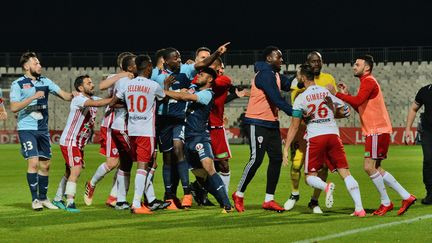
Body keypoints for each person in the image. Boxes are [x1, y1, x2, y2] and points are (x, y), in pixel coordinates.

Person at [327, 55, 416, 216]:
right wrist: (346, 95)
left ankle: (386, 202)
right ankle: (406, 196)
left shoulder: (368, 81)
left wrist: (337, 94)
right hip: (376, 130)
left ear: (366, 68)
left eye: (357, 64)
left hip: (376, 130)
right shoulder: (366, 82)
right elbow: (360, 107)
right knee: (376, 168)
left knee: (368, 167)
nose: (354, 67)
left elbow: (357, 101)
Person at [153, 42, 230, 209]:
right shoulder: (164, 76)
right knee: (171, 161)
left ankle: (195, 195)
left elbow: (187, 95)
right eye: (176, 57)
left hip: (193, 131)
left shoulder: (200, 82)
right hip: (166, 122)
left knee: (202, 164)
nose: (179, 60)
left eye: (180, 57)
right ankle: (170, 196)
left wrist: (217, 54)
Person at [283, 64, 365, 217]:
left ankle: (326, 187)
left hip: (316, 137)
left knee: (310, 177)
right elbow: (346, 112)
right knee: (345, 172)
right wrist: (332, 112)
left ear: (302, 77)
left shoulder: (301, 98)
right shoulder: (325, 92)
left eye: (298, 75)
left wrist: (286, 148)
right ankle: (359, 208)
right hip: (333, 135)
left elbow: (294, 126)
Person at [232, 46, 300, 212]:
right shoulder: (264, 74)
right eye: (279, 57)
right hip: (257, 122)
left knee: (276, 159)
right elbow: (276, 99)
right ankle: (239, 194)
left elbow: (292, 83)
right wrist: (295, 112)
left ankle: (269, 199)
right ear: (269, 59)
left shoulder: (275, 74)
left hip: (271, 123)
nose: (282, 60)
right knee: (256, 159)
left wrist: (310, 77)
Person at [164, 67, 234, 213]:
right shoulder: (194, 89)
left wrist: (162, 92)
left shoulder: (208, 94)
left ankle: (227, 204)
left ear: (210, 80)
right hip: (187, 140)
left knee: (209, 167)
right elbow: (184, 93)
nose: (199, 75)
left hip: (200, 137)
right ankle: (223, 201)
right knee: (202, 177)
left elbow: (185, 97)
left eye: (202, 74)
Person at [10, 52, 74, 211]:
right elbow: (14, 107)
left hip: (43, 129)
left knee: (45, 165)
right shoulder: (17, 84)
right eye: (36, 63)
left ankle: (44, 198)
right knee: (33, 162)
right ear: (26, 66)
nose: (40, 65)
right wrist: (32, 98)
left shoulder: (46, 81)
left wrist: (77, 94)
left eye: (39, 63)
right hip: (27, 129)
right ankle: (35, 200)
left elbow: (65, 96)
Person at [284, 51, 342, 213]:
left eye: (319, 61)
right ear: (307, 63)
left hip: (321, 130)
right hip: (303, 129)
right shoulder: (298, 80)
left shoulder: (329, 79)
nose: (316, 64)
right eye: (313, 61)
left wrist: (336, 93)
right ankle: (294, 194)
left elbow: (334, 103)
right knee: (296, 165)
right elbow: (298, 103)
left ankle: (314, 201)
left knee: (322, 168)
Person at [112, 54, 170, 214]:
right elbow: (163, 98)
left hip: (131, 129)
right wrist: (166, 86)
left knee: (145, 163)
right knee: (143, 165)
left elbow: (113, 102)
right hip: (146, 131)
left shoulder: (127, 85)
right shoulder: (153, 85)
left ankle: (149, 200)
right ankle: (136, 204)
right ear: (149, 67)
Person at [52, 75, 114, 212]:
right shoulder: (79, 99)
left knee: (69, 171)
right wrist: (114, 99)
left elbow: (104, 102)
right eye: (88, 83)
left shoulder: (92, 99)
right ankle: (70, 202)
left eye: (92, 82)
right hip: (70, 141)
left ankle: (57, 199)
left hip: (78, 144)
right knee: (76, 170)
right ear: (80, 87)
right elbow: (99, 104)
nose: (92, 85)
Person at [83, 52, 134, 207]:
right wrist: (123, 74)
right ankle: (91, 184)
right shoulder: (116, 76)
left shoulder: (137, 79)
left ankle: (113, 197)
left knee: (125, 162)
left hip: (129, 124)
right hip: (112, 122)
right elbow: (102, 86)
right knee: (112, 162)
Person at [405, 84, 432, 205]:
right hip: (428, 132)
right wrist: (407, 129)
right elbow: (413, 108)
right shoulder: (425, 91)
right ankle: (430, 193)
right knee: (428, 160)